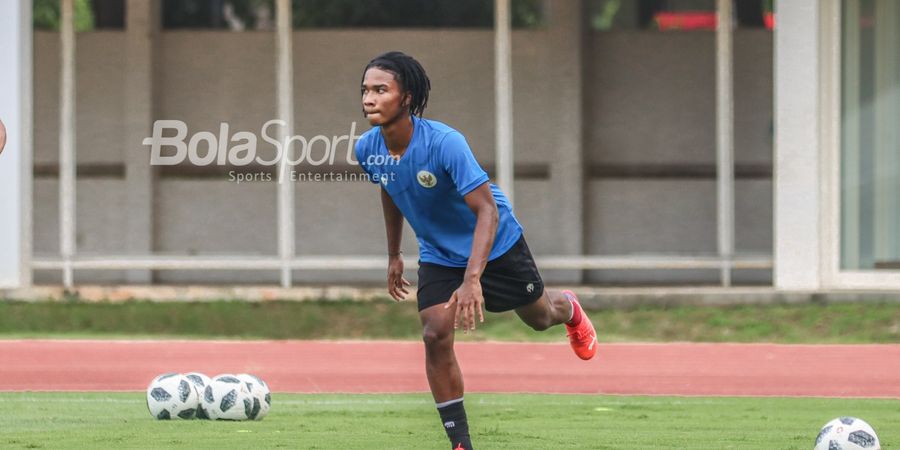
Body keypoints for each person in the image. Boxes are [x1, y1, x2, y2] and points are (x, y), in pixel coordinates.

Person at [355, 51, 598, 450]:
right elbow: (389, 187)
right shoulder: (367, 148)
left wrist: (473, 279)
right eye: (366, 89)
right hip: (438, 253)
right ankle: (461, 443)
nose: (369, 98)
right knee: (435, 335)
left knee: (539, 319)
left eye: (381, 89)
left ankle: (568, 308)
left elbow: (486, 209)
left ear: (408, 98)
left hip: (496, 244)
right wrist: (394, 253)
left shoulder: (446, 143)